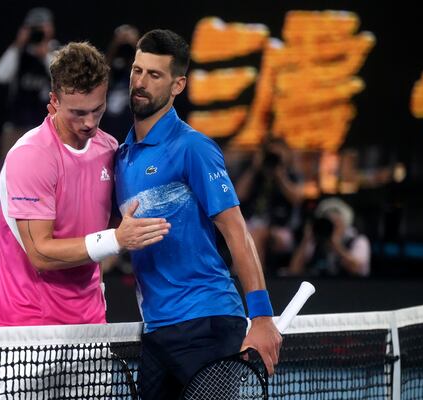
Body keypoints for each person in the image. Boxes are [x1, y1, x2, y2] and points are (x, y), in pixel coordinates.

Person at [114, 29, 282, 399]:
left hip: (207, 323)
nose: (141, 83)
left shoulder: (194, 147)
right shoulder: (122, 157)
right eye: (137, 71)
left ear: (178, 85)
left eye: (154, 75)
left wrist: (263, 317)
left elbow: (237, 232)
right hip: (158, 330)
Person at [0, 41, 170, 328]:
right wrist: (116, 240)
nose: (89, 123)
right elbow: (41, 254)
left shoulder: (109, 148)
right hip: (27, 325)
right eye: (77, 112)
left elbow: (114, 219)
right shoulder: (31, 156)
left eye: (97, 110)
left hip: (90, 321)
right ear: (54, 101)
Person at [0, 7, 58, 157]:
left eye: (42, 27)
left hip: (48, 128)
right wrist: (18, 44)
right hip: (17, 128)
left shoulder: (55, 53)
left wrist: (44, 55)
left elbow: (64, 77)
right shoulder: (19, 53)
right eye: (35, 28)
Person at [235, 136, 303, 273]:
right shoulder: (255, 175)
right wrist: (255, 169)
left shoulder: (292, 175)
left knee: (256, 234)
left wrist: (280, 175)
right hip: (250, 225)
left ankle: (246, 278)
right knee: (239, 232)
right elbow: (237, 195)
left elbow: (297, 199)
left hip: (282, 230)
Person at [287, 197, 371, 277]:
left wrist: (337, 246)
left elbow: (357, 269)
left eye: (336, 223)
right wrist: (306, 239)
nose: (333, 227)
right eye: (330, 223)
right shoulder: (316, 242)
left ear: (345, 223)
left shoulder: (359, 240)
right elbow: (294, 270)